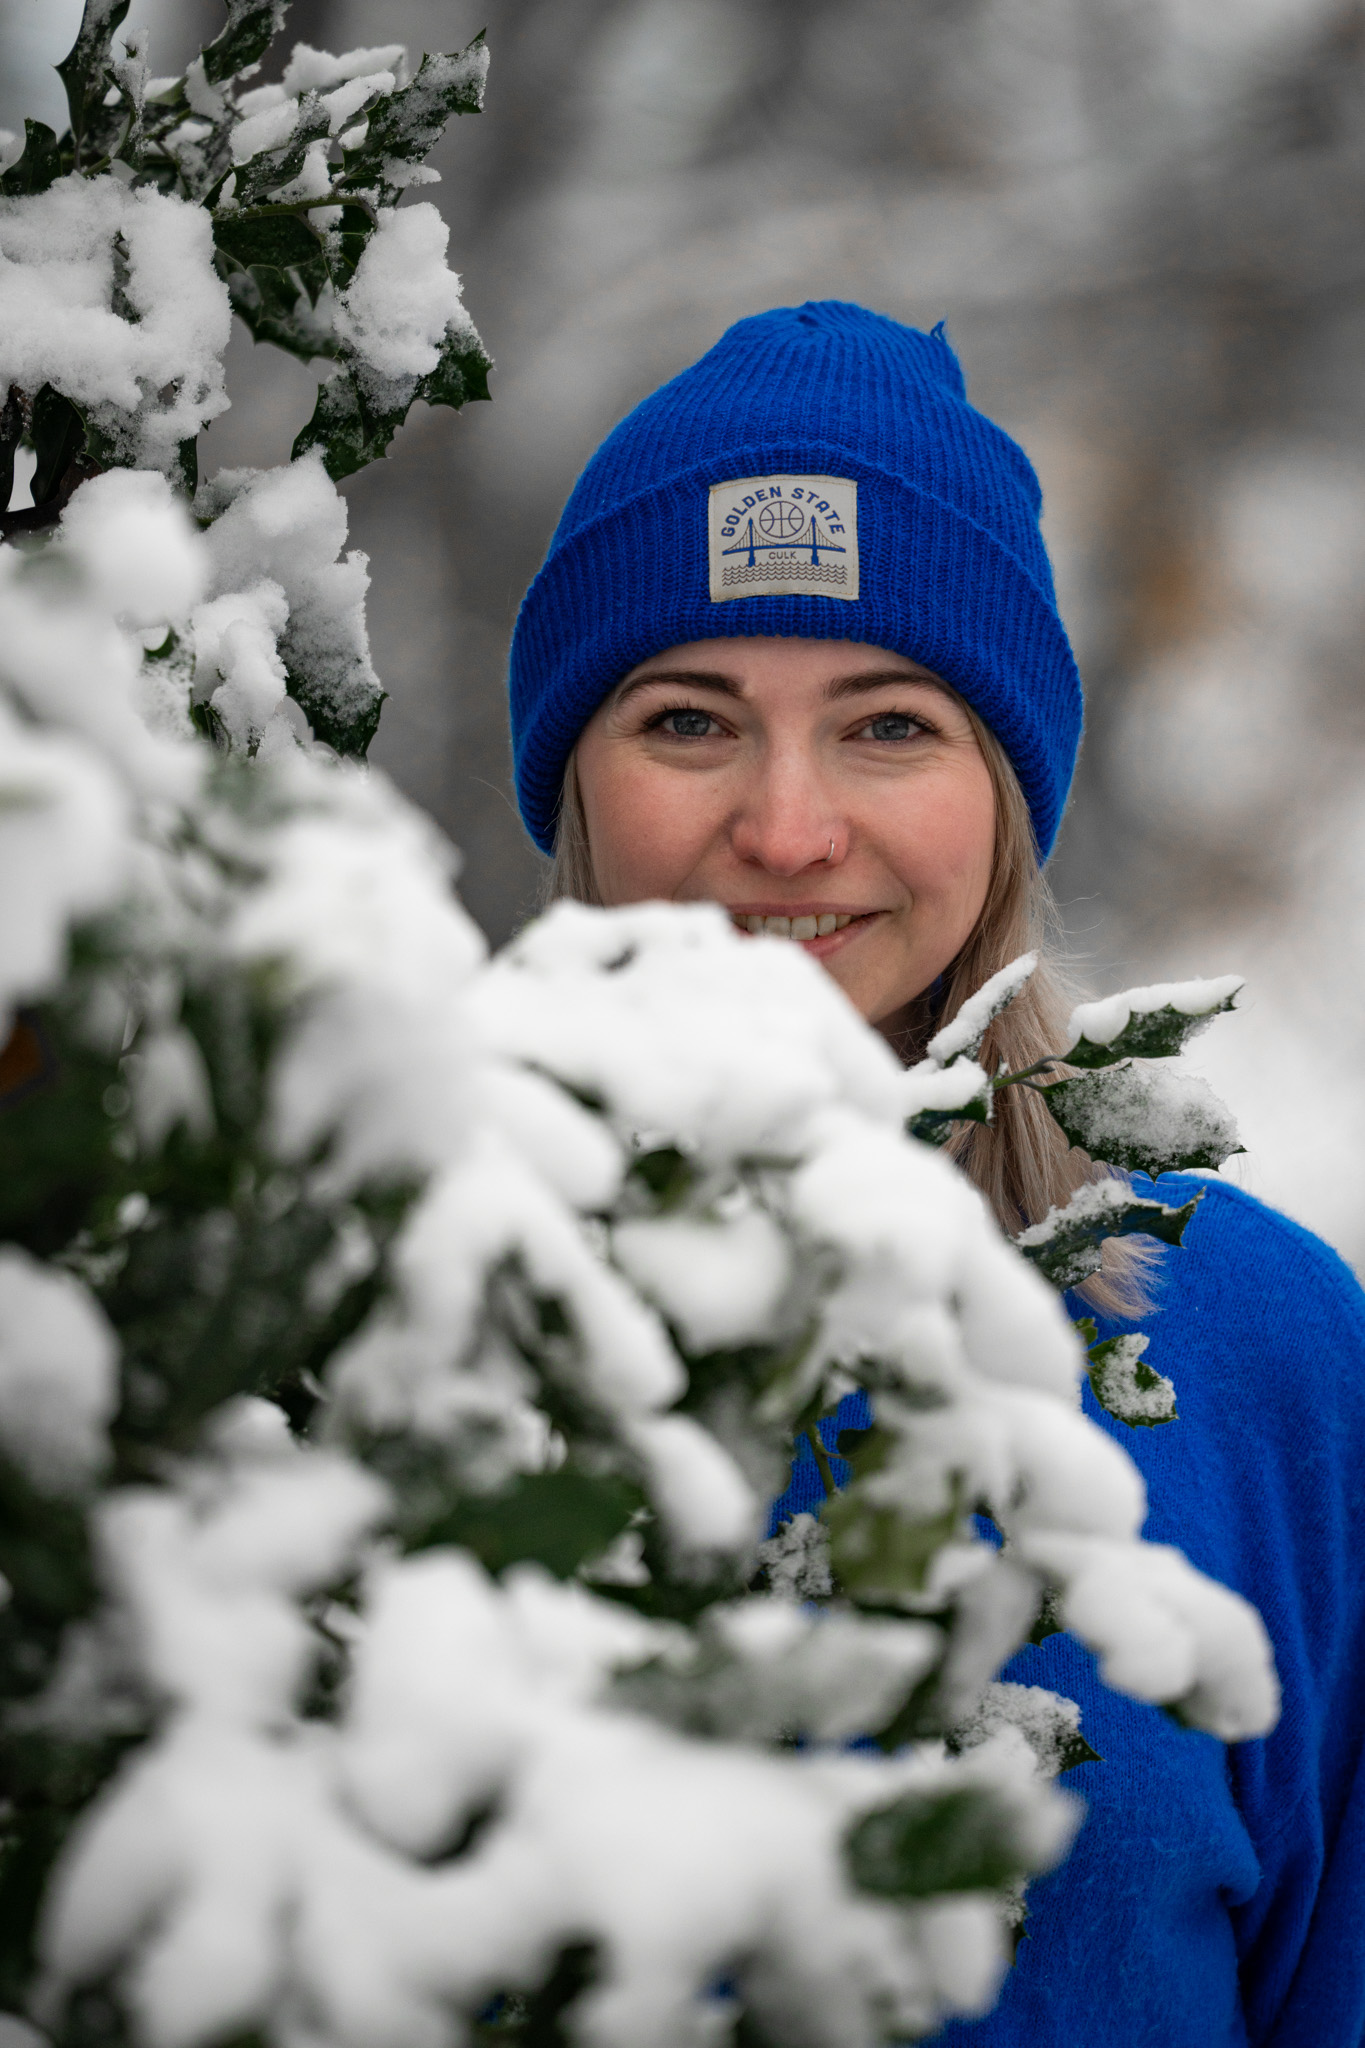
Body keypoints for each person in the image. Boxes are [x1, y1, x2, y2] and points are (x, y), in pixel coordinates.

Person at [505, 301, 1365, 2046]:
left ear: (1004, 795)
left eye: (888, 726)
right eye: (686, 721)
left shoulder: (1266, 1355)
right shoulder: (373, 1303)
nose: (788, 828)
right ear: (572, 784)